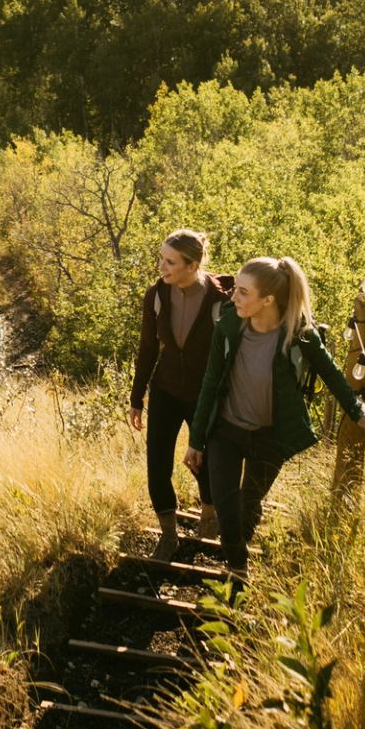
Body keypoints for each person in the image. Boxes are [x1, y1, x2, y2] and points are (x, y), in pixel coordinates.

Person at [184, 256, 365, 575]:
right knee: (226, 506)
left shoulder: (299, 333)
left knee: (248, 504)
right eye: (235, 288)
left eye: (243, 292)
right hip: (226, 431)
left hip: (270, 436)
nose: (233, 297)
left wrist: (358, 411)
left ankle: (236, 572)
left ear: (268, 300)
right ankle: (237, 565)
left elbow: (330, 373)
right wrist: (196, 440)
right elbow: (210, 381)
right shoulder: (228, 324)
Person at [130, 229, 233, 560]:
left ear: (193, 264)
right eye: (162, 258)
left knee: (206, 462)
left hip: (205, 395)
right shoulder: (156, 296)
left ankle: (208, 517)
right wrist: (136, 398)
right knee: (157, 464)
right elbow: (147, 349)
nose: (162, 266)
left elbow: (234, 353)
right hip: (166, 390)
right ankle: (169, 535)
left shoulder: (222, 301)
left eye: (170, 261)